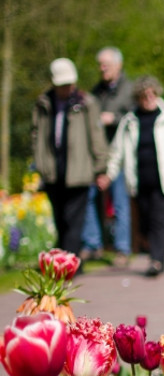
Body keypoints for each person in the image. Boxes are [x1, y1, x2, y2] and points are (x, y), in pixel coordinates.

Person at [100, 77, 164, 277]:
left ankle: (157, 260)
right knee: (146, 222)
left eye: (153, 94)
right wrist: (109, 175)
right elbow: (116, 152)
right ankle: (159, 253)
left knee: (158, 220)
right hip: (140, 182)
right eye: (145, 96)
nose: (149, 99)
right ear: (138, 98)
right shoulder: (129, 122)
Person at [32, 58, 108, 258]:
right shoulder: (44, 104)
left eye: (69, 84)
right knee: (60, 220)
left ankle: (69, 263)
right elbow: (36, 135)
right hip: (53, 171)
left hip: (79, 171)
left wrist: (101, 168)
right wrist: (40, 165)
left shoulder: (86, 103)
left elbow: (97, 135)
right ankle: (66, 261)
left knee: (74, 220)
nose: (67, 88)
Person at [84, 47, 134, 266]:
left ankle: (122, 249)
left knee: (120, 202)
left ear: (118, 65)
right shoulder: (96, 92)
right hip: (97, 155)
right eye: (100, 64)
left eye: (106, 64)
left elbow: (134, 118)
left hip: (120, 154)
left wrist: (113, 118)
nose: (102, 68)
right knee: (90, 197)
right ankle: (92, 244)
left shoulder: (129, 90)